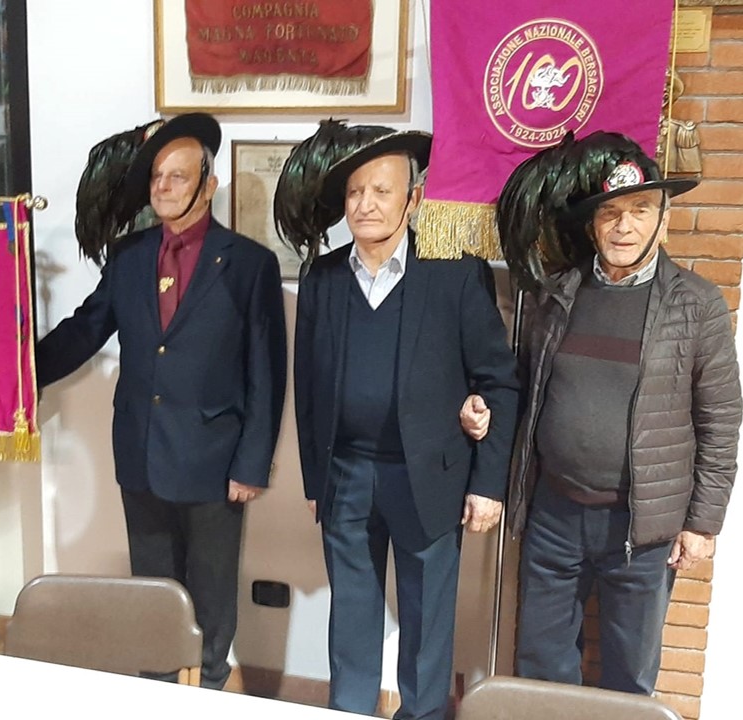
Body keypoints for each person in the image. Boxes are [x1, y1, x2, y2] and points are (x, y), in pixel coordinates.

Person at [35, 113, 287, 690]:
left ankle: (212, 685)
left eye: (178, 176)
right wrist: (22, 374)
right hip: (141, 454)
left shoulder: (249, 264)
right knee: (152, 590)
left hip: (214, 461)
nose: (164, 187)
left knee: (212, 592)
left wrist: (252, 465)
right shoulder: (129, 257)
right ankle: (155, 686)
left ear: (209, 184)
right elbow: (85, 329)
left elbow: (266, 373)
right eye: (156, 177)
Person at [277, 123, 520, 718]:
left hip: (428, 479)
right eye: (356, 192)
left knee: (426, 626)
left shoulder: (454, 274)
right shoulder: (322, 279)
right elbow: (307, 389)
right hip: (347, 478)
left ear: (412, 199)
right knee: (350, 620)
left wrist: (488, 484)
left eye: (382, 191)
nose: (366, 204)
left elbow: (498, 381)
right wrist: (315, 481)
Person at [491, 131, 741, 694]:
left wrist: (702, 523)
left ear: (662, 221)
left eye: (639, 210)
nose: (624, 226)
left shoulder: (696, 304)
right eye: (610, 213)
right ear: (592, 225)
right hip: (554, 515)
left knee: (629, 674)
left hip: (642, 526)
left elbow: (721, 420)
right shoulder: (558, 294)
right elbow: (528, 391)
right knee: (541, 667)